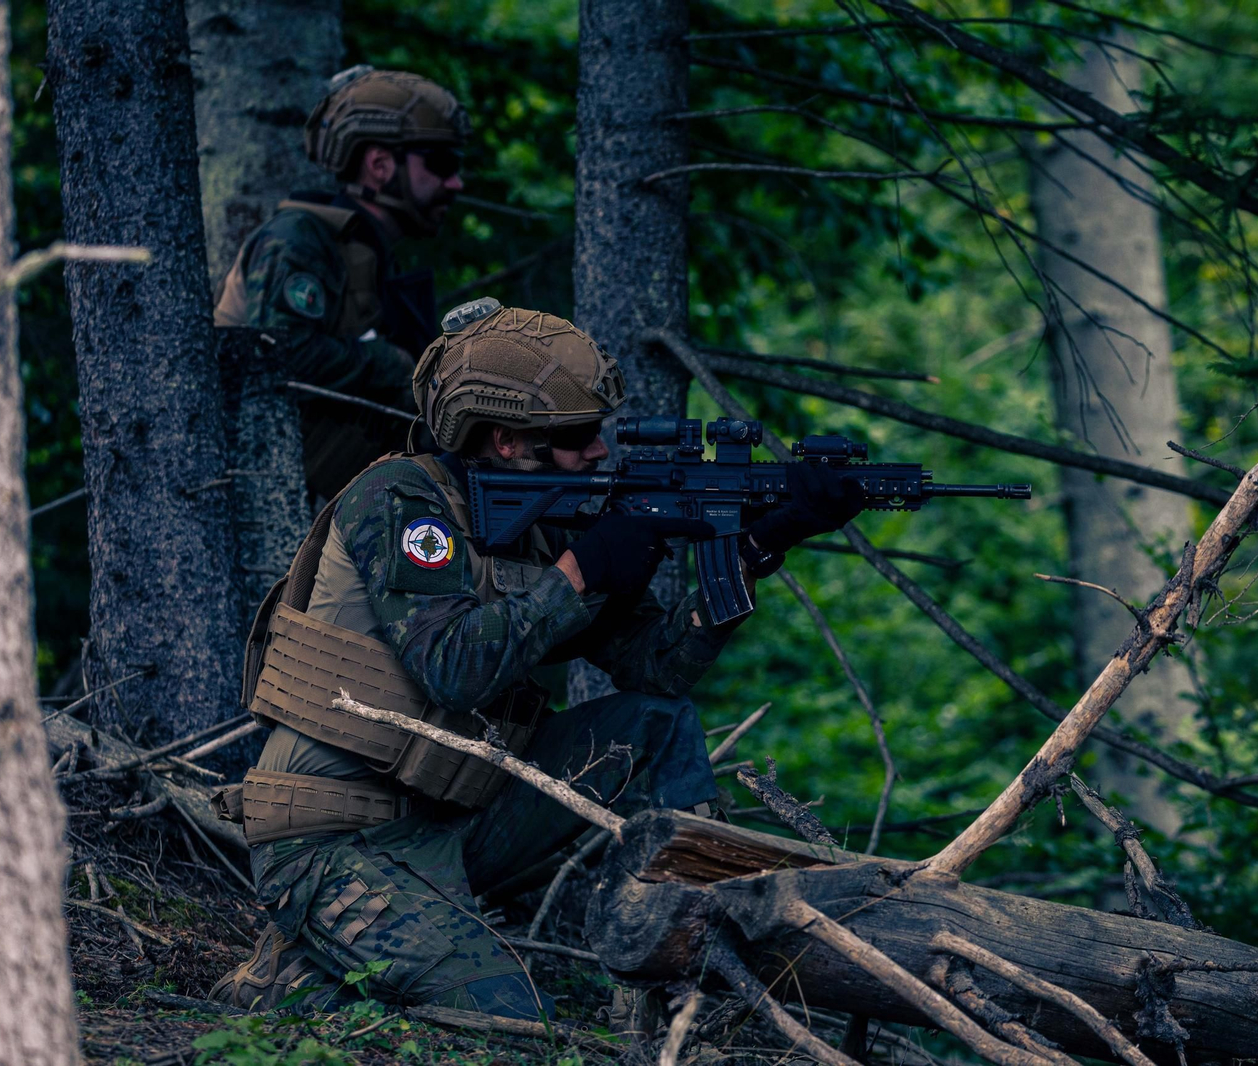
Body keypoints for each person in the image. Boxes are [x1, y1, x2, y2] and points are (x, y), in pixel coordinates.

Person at [209, 300, 864, 1019]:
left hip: (450, 825)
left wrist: (754, 550)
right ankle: (301, 978)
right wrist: (581, 573)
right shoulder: (401, 501)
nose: (599, 452)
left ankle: (699, 951)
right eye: (579, 435)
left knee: (657, 723)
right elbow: (451, 670)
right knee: (511, 1015)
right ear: (506, 442)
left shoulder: (544, 527)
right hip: (332, 835)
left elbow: (657, 670)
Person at [213, 65, 469, 500]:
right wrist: (389, 364)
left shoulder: (369, 255)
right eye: (440, 163)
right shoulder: (300, 240)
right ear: (379, 164)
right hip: (281, 509)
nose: (455, 182)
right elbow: (271, 353)